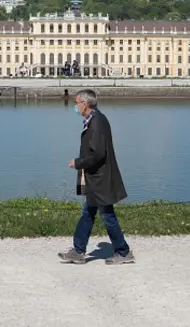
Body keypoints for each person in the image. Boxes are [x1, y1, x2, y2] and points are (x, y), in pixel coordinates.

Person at [58, 89, 135, 265]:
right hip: (96, 177)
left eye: (77, 102)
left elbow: (98, 153)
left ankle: (123, 252)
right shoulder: (94, 120)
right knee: (88, 212)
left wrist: (78, 163)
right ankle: (78, 251)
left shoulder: (97, 122)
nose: (75, 106)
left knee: (107, 215)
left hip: (100, 178)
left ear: (85, 104)